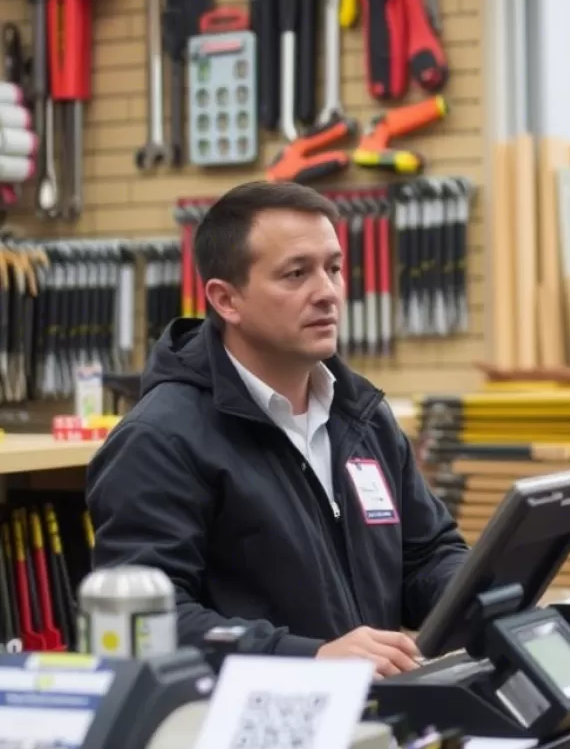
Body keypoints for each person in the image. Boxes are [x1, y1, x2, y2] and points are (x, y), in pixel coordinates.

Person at [86, 181, 469, 677]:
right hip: (242, 733)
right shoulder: (161, 440)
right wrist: (308, 658)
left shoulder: (362, 416)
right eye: (296, 274)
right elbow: (152, 622)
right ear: (227, 300)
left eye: (333, 268)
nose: (327, 292)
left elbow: (425, 554)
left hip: (370, 719)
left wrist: (479, 595)